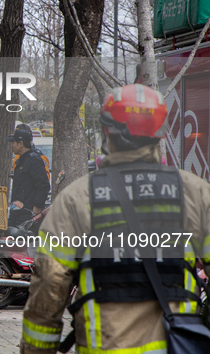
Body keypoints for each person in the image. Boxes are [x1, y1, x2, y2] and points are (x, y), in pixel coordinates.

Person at [20, 84, 210, 353]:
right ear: (160, 131)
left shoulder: (76, 199)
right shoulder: (196, 194)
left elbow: (48, 292)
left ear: (107, 131)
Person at [6, 129, 50, 228]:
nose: (12, 145)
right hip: (16, 210)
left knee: (25, 240)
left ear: (20, 144)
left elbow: (43, 185)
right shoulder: (21, 160)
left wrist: (37, 206)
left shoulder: (34, 160)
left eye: (13, 142)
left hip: (28, 212)